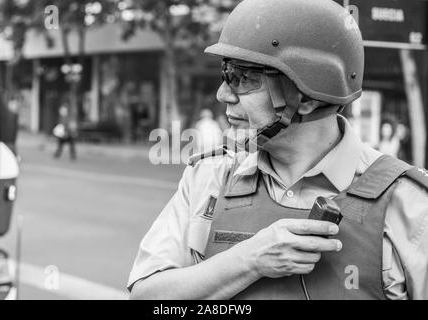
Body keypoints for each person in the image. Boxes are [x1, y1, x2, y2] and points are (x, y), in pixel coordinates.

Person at [128, 0, 428, 300]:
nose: (222, 95)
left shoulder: (410, 204)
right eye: (226, 75)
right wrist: (249, 260)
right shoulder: (208, 177)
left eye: (243, 79)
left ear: (307, 98)